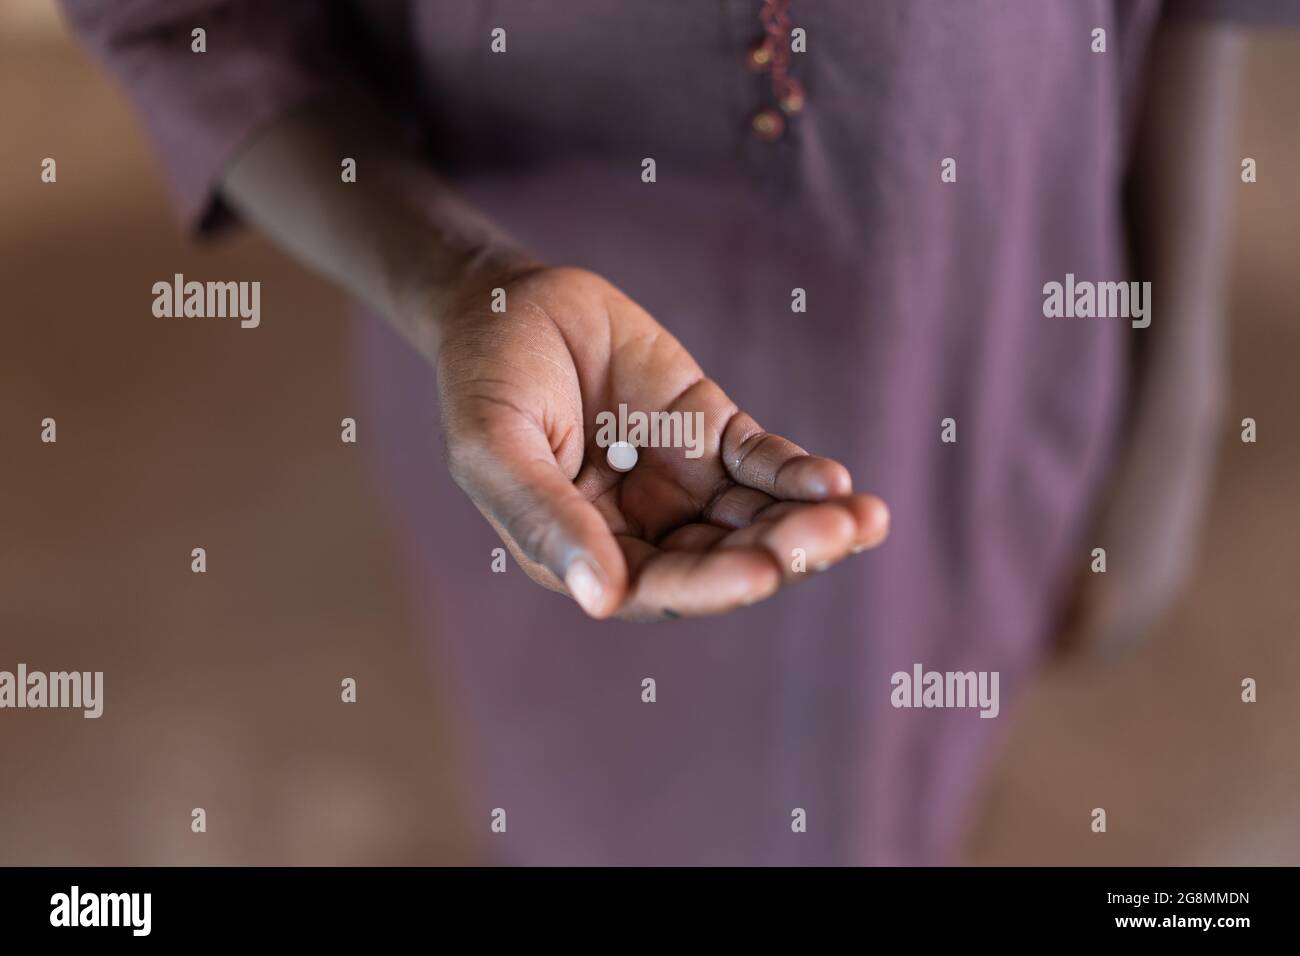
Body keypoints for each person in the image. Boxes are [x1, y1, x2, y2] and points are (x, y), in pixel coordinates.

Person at [60, 1, 1296, 864]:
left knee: (912, 745)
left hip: (986, 309)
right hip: (555, 399)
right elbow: (190, 16)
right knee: (616, 795)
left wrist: (1176, 373)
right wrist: (466, 285)